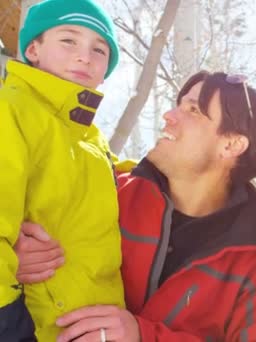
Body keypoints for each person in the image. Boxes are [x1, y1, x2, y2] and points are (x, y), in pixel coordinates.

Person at [16, 71, 256, 341]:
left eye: (193, 110)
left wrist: (144, 336)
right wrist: (16, 257)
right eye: (178, 105)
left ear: (231, 144)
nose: (169, 115)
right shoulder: (108, 193)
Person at [0, 0, 124, 340]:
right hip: (33, 325)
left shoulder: (89, 137)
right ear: (33, 49)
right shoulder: (11, 111)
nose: (85, 56)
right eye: (68, 40)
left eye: (100, 50)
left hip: (92, 325)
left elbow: (108, 179)